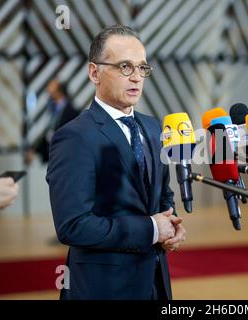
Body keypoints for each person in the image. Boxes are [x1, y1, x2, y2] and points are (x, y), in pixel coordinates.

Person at [47, 24, 186, 300]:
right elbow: (73, 225)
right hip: (103, 289)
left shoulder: (153, 127)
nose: (136, 77)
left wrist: (171, 227)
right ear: (94, 72)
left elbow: (162, 197)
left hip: (155, 285)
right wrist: (151, 228)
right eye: (125, 67)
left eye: (142, 68)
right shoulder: (74, 137)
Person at [25, 79, 79, 165]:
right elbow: (49, 134)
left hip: (66, 159)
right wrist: (35, 150)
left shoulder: (72, 112)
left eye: (51, 88)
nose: (48, 90)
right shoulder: (52, 110)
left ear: (59, 91)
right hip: (53, 157)